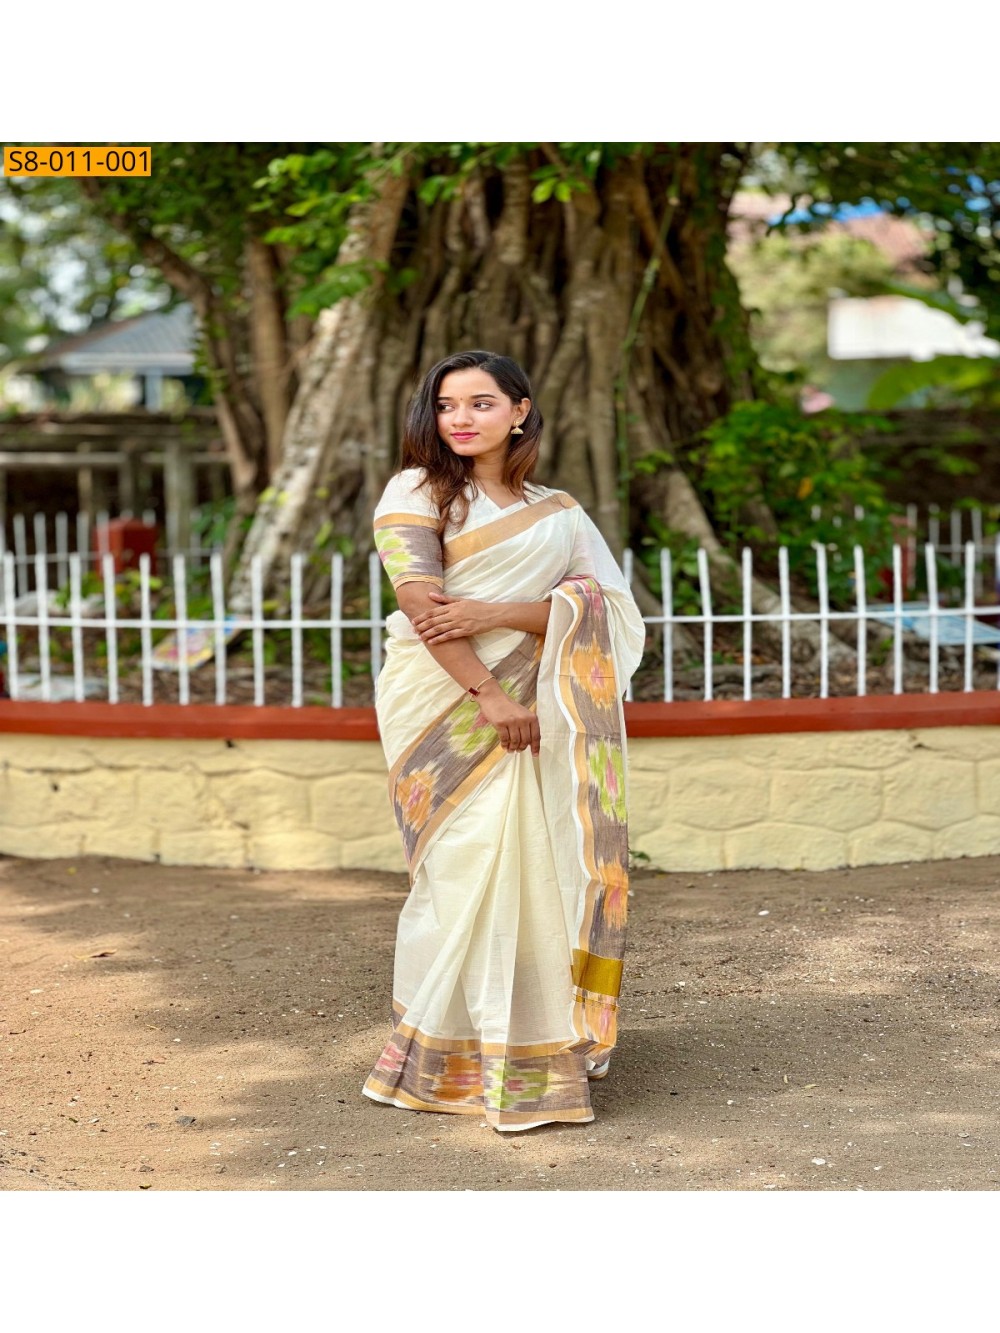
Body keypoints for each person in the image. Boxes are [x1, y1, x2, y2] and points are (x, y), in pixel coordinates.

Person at [362, 349, 646, 1132]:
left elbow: (607, 607)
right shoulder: (417, 491)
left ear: (519, 411)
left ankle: (532, 1044)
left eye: (481, 402)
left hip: (541, 708)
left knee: (539, 867)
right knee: (460, 868)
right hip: (445, 703)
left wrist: (494, 612)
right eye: (447, 404)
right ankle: (447, 1050)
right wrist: (488, 694)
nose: (460, 418)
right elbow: (423, 606)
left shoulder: (559, 511)